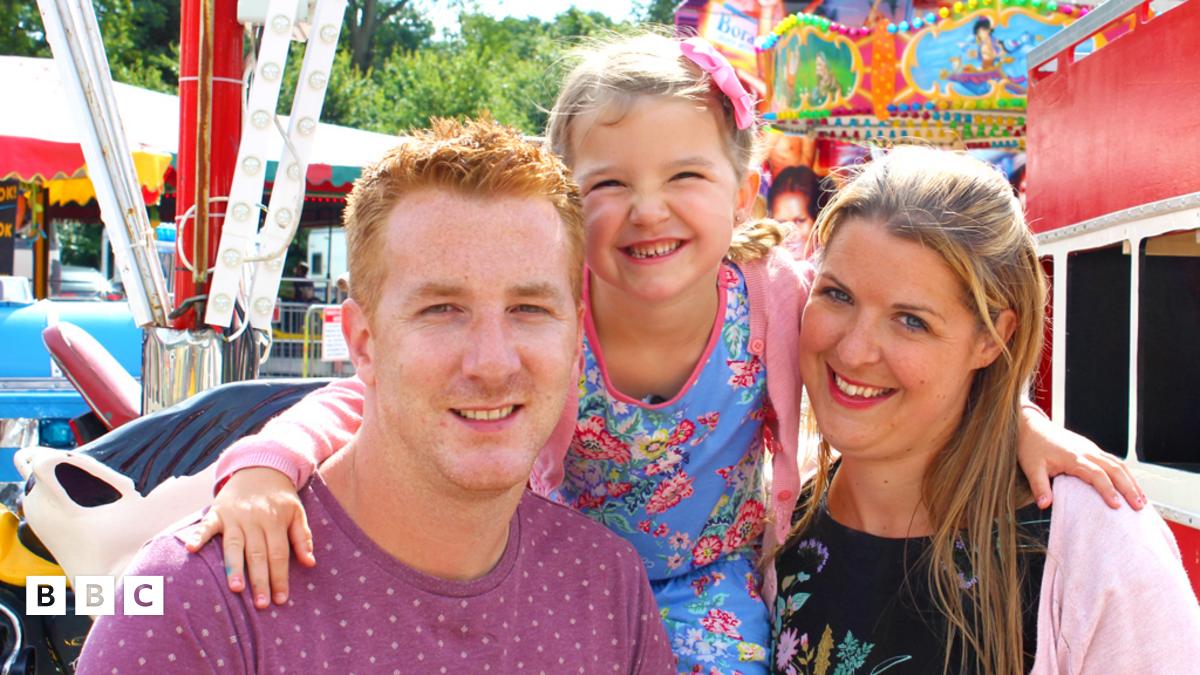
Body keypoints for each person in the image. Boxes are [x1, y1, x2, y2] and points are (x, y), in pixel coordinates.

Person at [191, 34, 1142, 673]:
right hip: (549, 569)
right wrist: (264, 466)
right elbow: (380, 394)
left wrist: (1017, 419)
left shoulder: (774, 295)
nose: (648, 209)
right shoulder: (550, 307)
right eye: (608, 184)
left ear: (741, 186)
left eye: (684, 174)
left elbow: (908, 338)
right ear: (567, 206)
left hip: (708, 584)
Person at [75, 118, 675, 674]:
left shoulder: (607, 586)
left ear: (575, 338)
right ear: (363, 341)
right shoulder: (190, 605)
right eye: (442, 309)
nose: (493, 362)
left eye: (529, 308)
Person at [771, 147, 1200, 674]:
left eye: (911, 321)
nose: (855, 350)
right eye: (837, 295)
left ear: (992, 338)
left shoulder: (1094, 546)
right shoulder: (771, 521)